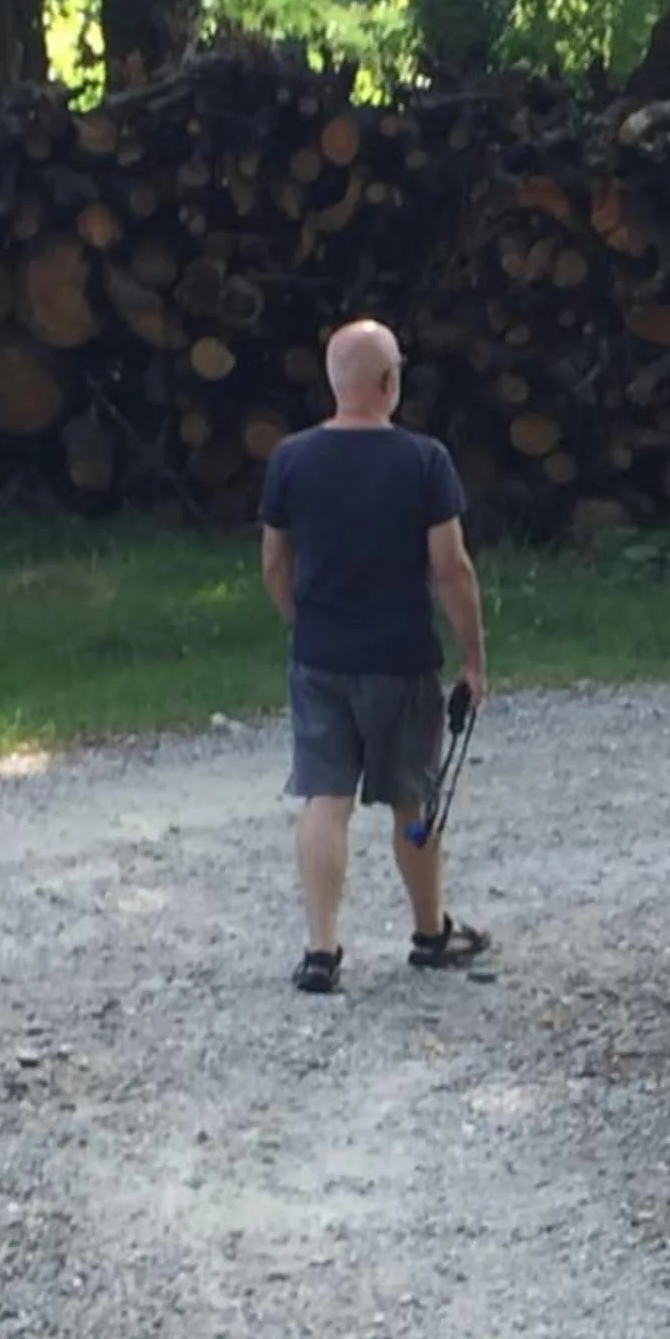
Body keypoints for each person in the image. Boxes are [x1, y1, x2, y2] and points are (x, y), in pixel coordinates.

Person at [258, 318, 491, 995]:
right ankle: (428, 932)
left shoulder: (291, 459)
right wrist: (474, 659)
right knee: (412, 801)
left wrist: (300, 622)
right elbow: (451, 569)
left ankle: (321, 950)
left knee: (324, 798)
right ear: (389, 383)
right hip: (402, 660)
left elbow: (274, 560)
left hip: (320, 657)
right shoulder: (424, 461)